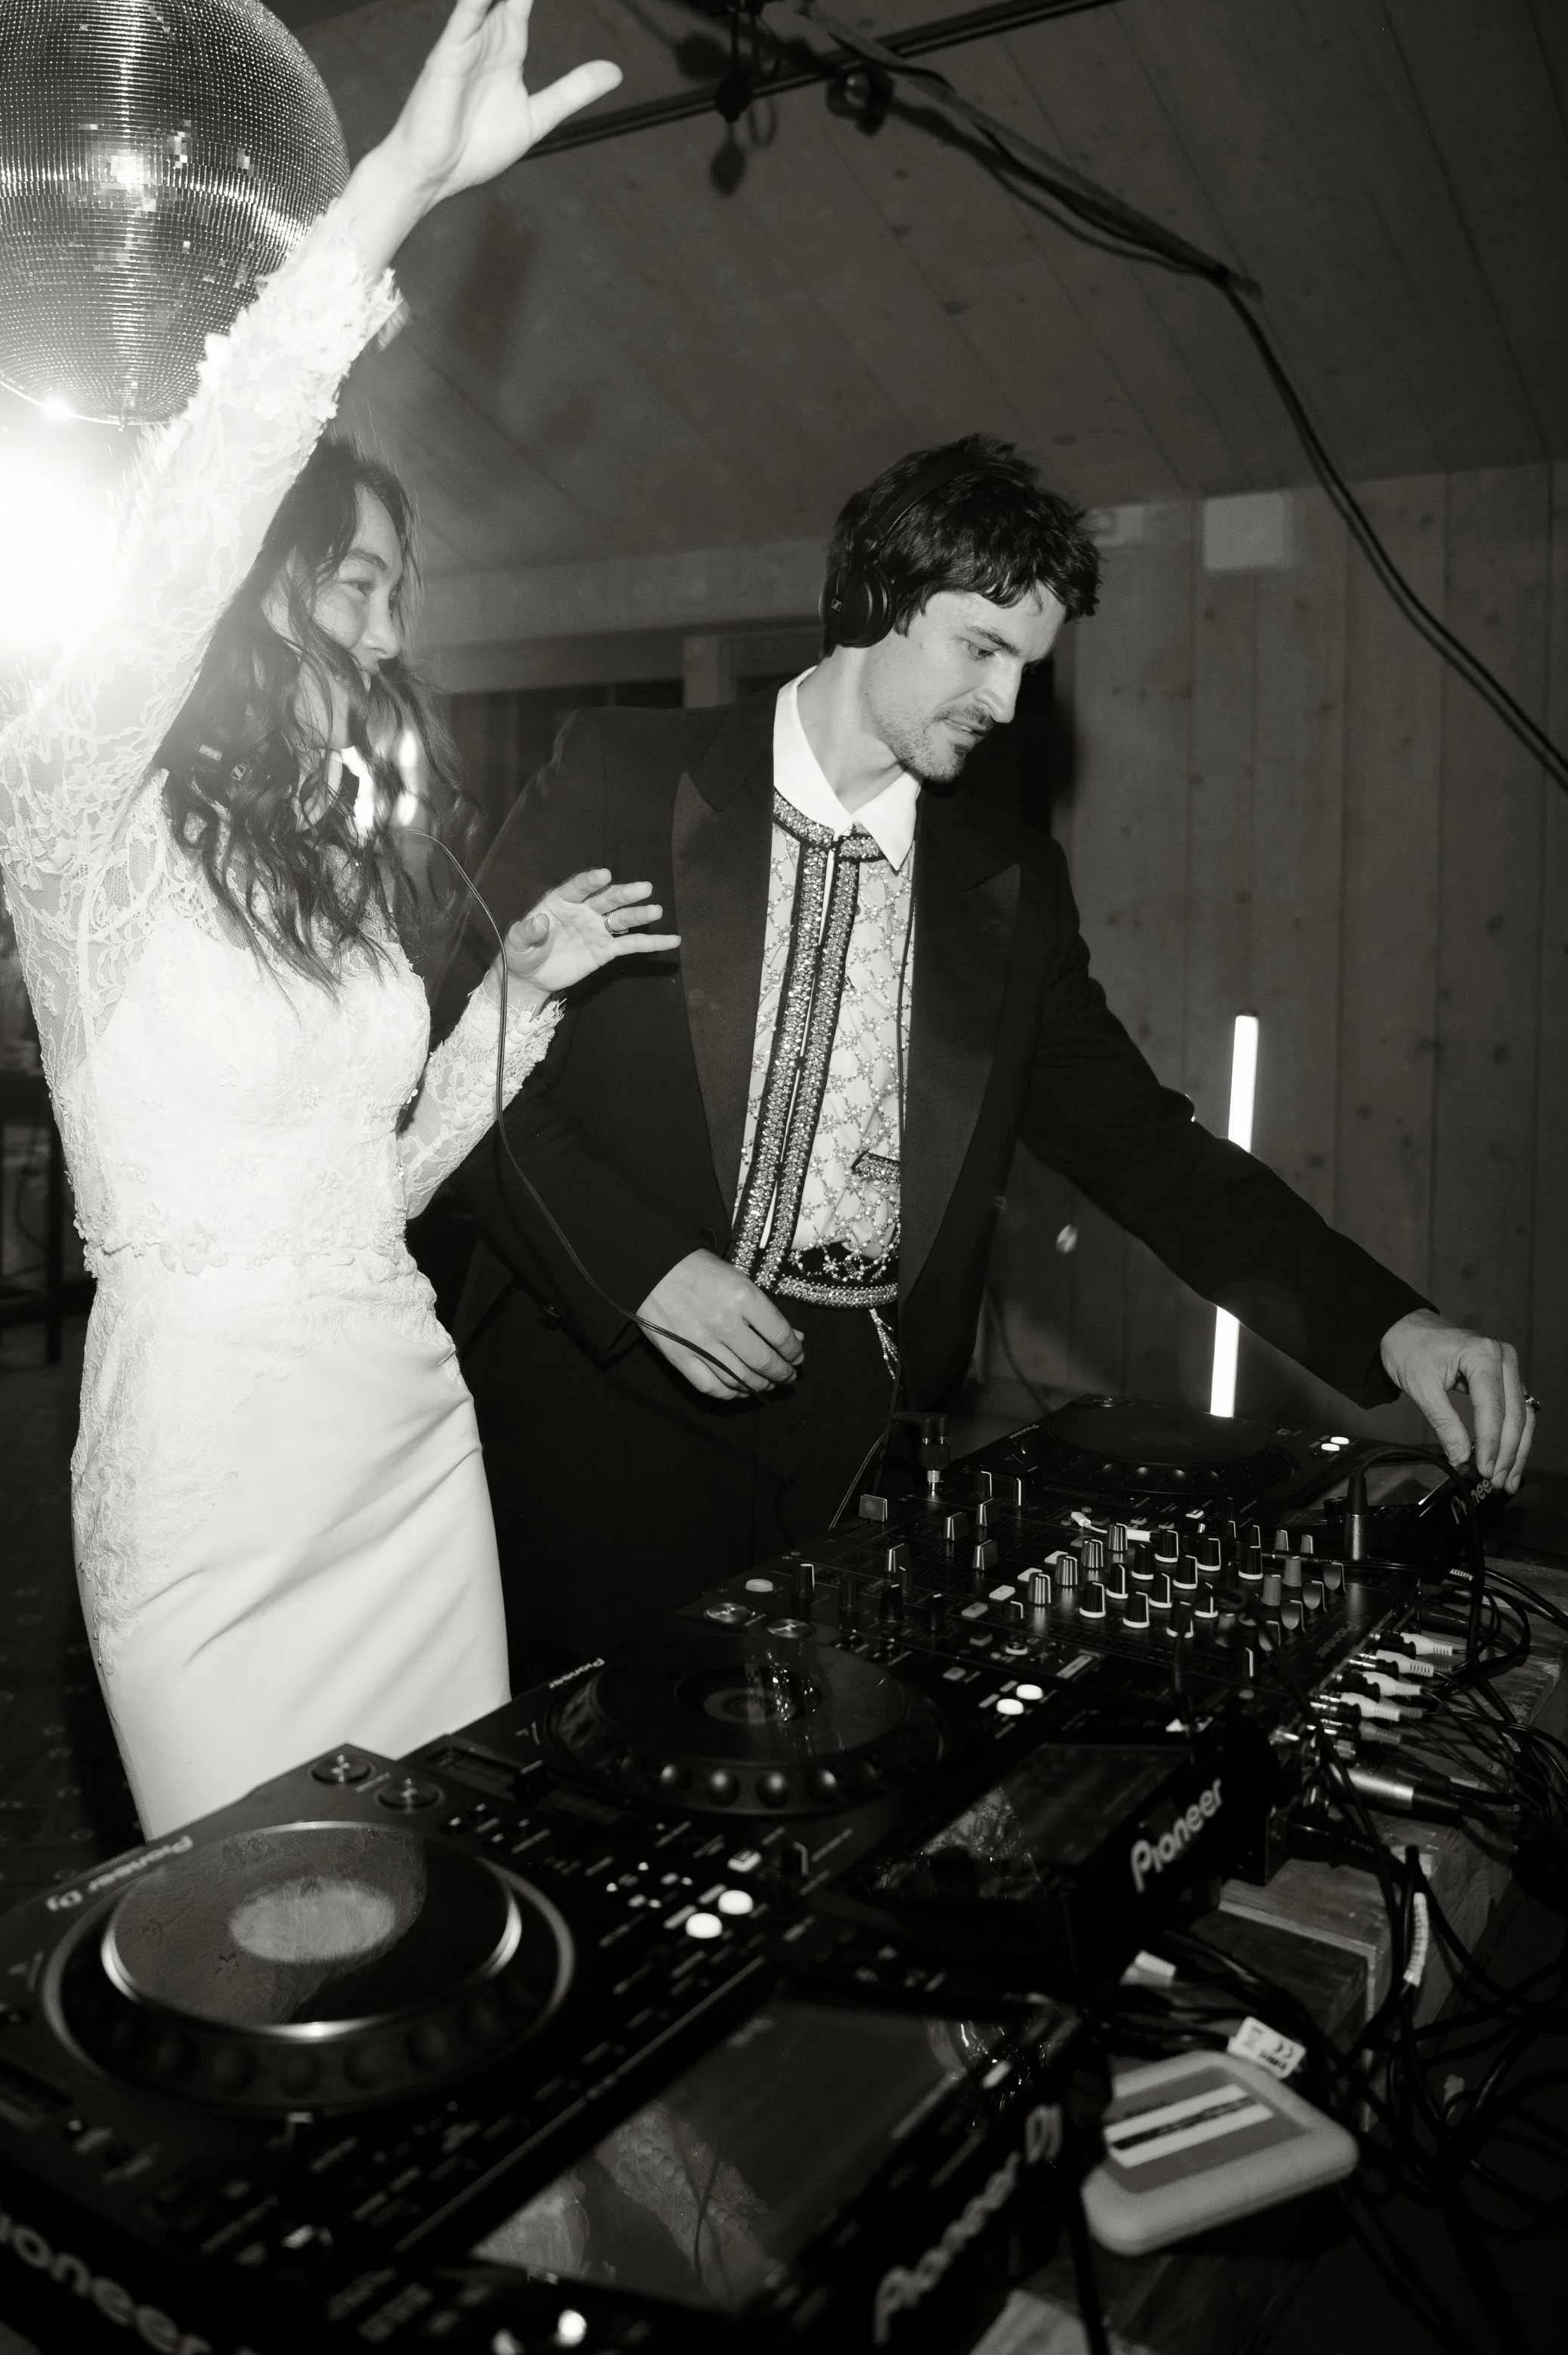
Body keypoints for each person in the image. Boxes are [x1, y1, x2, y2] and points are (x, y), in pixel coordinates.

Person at [0, 0, 669, 1837]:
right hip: (209, 1494)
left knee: (447, 1908)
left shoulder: (322, 868)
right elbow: (190, 526)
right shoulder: (72, 821)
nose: (385, 633)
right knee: (243, 1942)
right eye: (355, 586)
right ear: (259, 594)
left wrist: (514, 1005)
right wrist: (386, 192)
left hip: (404, 1443)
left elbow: (368, 1192)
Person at [446, 441, 1537, 1685]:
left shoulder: (1011, 889)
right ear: (871, 598)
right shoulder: (620, 773)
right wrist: (641, 1270)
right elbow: (461, 1069)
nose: (1008, 703)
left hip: (842, 1453)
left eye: (1029, 666)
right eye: (982, 649)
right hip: (598, 1400)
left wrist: (1392, 1327)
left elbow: (1150, 1152)